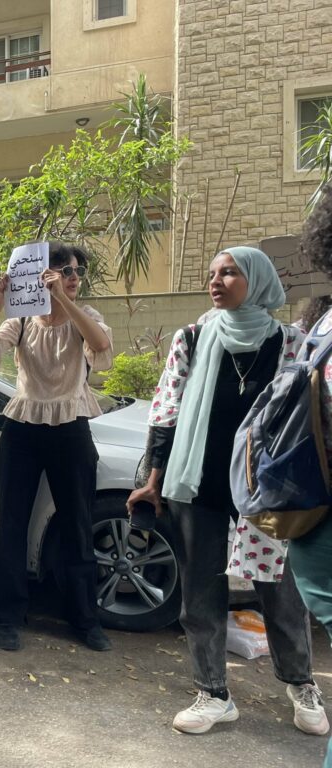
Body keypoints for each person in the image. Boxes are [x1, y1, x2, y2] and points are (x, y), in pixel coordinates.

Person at [126, 246, 328, 736]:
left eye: (230, 272)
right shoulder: (192, 338)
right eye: (213, 273)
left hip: (268, 489)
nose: (216, 281)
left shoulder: (290, 341)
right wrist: (153, 478)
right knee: (201, 590)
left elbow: (309, 413)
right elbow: (166, 408)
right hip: (199, 480)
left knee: (280, 590)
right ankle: (213, 692)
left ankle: (300, 682)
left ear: (257, 281)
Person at [0, 242, 113, 652]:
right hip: (22, 427)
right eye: (64, 270)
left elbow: (101, 348)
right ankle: (7, 616)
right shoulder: (21, 319)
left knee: (77, 523)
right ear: (40, 275)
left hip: (71, 426)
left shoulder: (85, 317)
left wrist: (62, 300)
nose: (72, 277)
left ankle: (84, 619)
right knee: (11, 524)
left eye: (77, 272)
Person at [286, 188, 332, 764]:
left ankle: (300, 682)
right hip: (313, 519)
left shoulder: (311, 330)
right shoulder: (316, 331)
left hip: (304, 514)